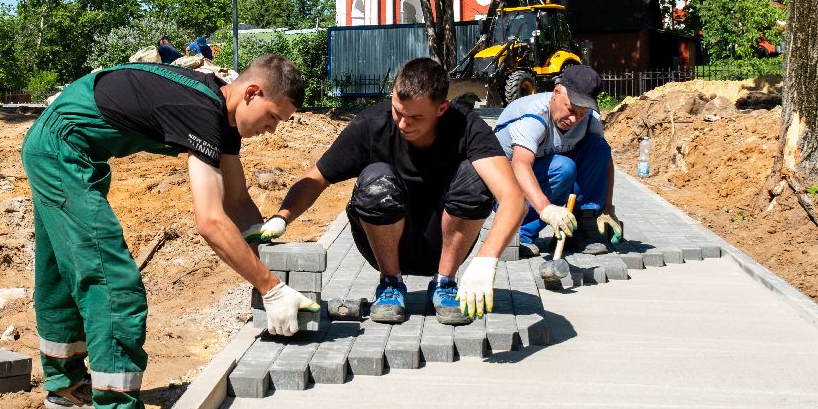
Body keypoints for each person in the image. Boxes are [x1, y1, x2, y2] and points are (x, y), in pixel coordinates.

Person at [22, 54, 312, 409]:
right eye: (273, 116)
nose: (271, 129)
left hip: (62, 145)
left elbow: (237, 200)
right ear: (252, 93)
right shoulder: (201, 112)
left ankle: (65, 386)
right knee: (110, 279)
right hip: (61, 149)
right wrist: (272, 288)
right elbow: (210, 221)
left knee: (60, 268)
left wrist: (269, 253)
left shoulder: (220, 117)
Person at [262, 57, 527, 326]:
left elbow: (513, 199)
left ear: (442, 109)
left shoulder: (466, 127)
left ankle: (445, 284)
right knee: (376, 178)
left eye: (415, 117)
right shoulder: (372, 124)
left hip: (445, 242)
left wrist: (487, 259)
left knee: (476, 178)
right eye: (398, 111)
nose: (402, 124)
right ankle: (390, 285)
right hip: (387, 245)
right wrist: (282, 217)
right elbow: (316, 178)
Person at [493, 63, 621, 257]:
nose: (574, 119)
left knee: (598, 148)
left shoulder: (589, 118)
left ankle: (579, 228)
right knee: (563, 167)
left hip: (543, 173)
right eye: (570, 109)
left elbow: (604, 160)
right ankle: (521, 233)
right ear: (556, 92)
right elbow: (520, 165)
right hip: (505, 185)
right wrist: (547, 209)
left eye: (581, 113)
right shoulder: (533, 116)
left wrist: (607, 207)